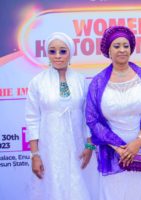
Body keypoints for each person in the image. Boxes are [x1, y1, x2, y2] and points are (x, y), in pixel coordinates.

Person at [85, 26, 141, 200]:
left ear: (131, 49)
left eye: (125, 46)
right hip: (112, 153)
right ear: (108, 51)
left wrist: (139, 141)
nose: (122, 50)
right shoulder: (97, 83)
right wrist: (120, 149)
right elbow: (92, 120)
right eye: (116, 46)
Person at [25, 32, 94, 200]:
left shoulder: (80, 80)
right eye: (52, 51)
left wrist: (90, 146)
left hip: (78, 147)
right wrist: (35, 155)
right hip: (50, 149)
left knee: (80, 188)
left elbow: (89, 116)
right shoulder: (37, 82)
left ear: (70, 53)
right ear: (47, 54)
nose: (57, 56)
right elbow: (32, 119)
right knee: (52, 189)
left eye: (62, 51)